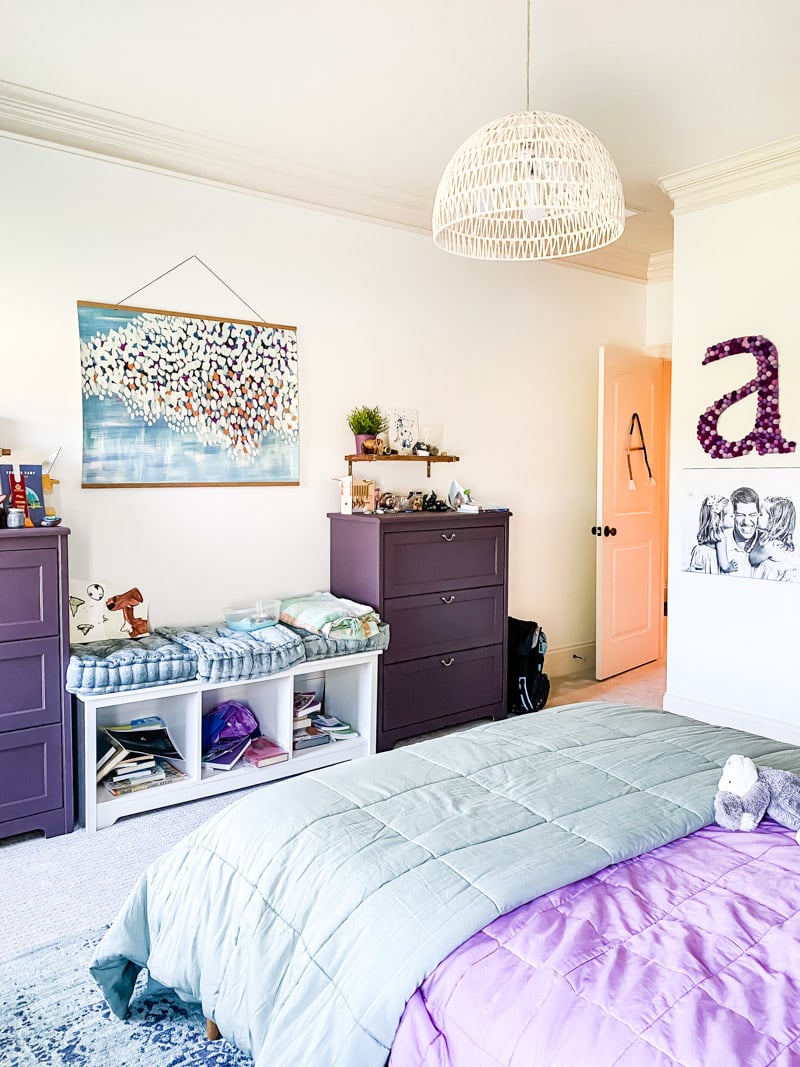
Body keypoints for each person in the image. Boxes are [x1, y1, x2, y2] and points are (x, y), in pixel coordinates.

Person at [749, 495, 799, 582]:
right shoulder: (786, 541)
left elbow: (752, 559)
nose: (756, 516)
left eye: (760, 514)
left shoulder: (769, 545)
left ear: (773, 521)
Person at [688, 494, 737, 574]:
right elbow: (724, 566)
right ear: (719, 518)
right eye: (731, 516)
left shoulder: (706, 533)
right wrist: (731, 566)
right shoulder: (719, 536)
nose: (734, 517)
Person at [724, 486, 760, 577]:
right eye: (741, 515)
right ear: (733, 515)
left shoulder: (769, 544)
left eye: (752, 515)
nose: (747, 521)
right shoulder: (719, 543)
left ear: (758, 515)